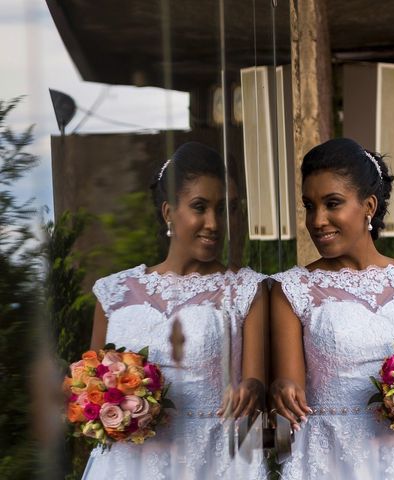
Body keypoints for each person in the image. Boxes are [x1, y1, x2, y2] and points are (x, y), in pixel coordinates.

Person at [270, 138, 394, 479]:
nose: (317, 220)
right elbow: (290, 384)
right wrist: (281, 389)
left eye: (332, 203)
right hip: (332, 458)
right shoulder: (290, 289)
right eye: (309, 205)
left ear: (369, 206)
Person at [82, 142, 267, 479]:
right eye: (200, 207)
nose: (214, 222)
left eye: (225, 209)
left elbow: (255, 379)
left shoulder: (247, 289)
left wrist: (254, 387)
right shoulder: (114, 292)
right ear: (169, 212)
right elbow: (90, 383)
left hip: (213, 459)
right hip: (128, 463)